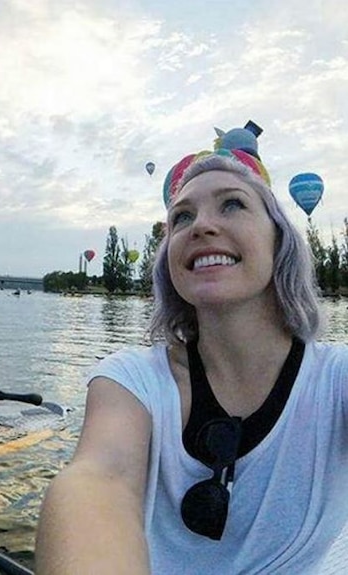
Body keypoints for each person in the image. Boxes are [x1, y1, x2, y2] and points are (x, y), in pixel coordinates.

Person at [35, 131, 348, 574]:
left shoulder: (336, 378)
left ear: (279, 241)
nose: (200, 225)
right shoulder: (130, 382)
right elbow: (99, 480)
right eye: (181, 217)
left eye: (233, 204)